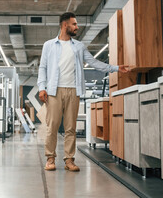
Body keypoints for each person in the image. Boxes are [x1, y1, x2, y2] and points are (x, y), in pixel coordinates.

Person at [37, 12, 129, 172]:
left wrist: (115, 68)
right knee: (52, 126)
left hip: (74, 90)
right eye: (74, 24)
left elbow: (93, 62)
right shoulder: (49, 45)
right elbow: (43, 67)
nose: (77, 27)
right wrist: (41, 87)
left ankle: (69, 160)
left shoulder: (79, 46)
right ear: (65, 25)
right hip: (53, 91)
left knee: (71, 128)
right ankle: (50, 159)